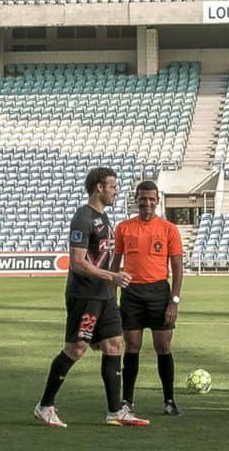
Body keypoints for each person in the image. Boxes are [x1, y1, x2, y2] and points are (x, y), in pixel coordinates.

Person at [37, 167, 140, 429]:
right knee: (76, 348)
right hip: (85, 295)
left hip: (104, 296)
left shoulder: (104, 218)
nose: (116, 191)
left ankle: (115, 411)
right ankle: (45, 405)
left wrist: (110, 282)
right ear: (99, 187)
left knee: (115, 344)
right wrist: (112, 276)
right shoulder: (82, 218)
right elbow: (78, 262)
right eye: (113, 186)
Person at [114, 178, 186, 417]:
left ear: (157, 201)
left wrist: (173, 301)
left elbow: (178, 268)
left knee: (163, 346)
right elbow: (115, 265)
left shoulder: (168, 229)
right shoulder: (124, 228)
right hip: (131, 293)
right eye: (143, 199)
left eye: (151, 199)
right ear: (136, 200)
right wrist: (112, 298)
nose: (147, 203)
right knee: (132, 346)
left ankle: (169, 400)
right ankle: (127, 401)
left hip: (159, 293)